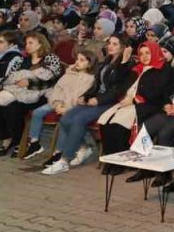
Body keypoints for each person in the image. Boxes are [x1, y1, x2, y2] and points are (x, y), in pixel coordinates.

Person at [46, 35, 132, 171]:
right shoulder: (106, 61)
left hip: (110, 102)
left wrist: (124, 63)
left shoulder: (126, 65)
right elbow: (96, 84)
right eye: (109, 43)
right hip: (96, 98)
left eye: (115, 44)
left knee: (79, 119)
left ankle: (64, 160)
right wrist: (86, 96)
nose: (110, 46)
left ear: (123, 48)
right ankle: (86, 146)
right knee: (66, 119)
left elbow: (118, 89)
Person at [0, 32, 65, 158]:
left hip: (41, 95)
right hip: (18, 91)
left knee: (13, 108)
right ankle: (7, 138)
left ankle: (18, 142)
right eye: (26, 43)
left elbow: (51, 81)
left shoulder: (51, 58)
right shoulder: (23, 59)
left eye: (30, 43)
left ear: (40, 44)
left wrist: (29, 83)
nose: (27, 46)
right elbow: (8, 78)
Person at [23, 47, 97, 163]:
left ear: (90, 63)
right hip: (58, 102)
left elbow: (80, 96)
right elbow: (57, 89)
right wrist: (57, 103)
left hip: (72, 106)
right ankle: (34, 142)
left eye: (82, 60)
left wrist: (66, 108)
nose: (77, 62)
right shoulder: (69, 73)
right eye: (77, 59)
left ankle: (58, 152)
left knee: (65, 120)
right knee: (37, 112)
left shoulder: (90, 79)